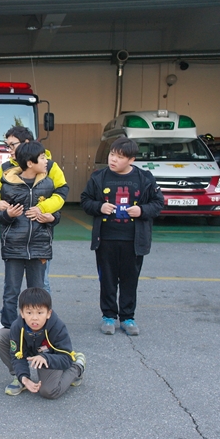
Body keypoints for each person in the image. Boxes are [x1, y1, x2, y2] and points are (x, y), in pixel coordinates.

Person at [80, 137, 164, 336]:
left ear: (131, 160)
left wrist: (141, 210)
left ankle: (127, 318)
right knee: (107, 279)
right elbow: (85, 200)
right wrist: (99, 207)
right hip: (106, 239)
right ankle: (108, 316)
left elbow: (158, 203)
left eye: (119, 157)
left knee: (130, 279)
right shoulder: (99, 177)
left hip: (134, 241)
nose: (113, 159)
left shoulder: (145, 178)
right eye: (112, 155)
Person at [0, 126, 68, 308]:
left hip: (39, 239)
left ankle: (42, 317)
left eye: (12, 145)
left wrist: (42, 209)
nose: (9, 149)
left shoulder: (49, 166)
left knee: (41, 285)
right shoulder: (5, 168)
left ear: (26, 143)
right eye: (7, 145)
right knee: (11, 289)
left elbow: (61, 193)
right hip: (14, 241)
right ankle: (9, 321)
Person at [0, 287, 86, 399]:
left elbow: (66, 358)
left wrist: (46, 358)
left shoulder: (57, 327)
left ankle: (77, 367)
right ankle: (19, 378)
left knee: (49, 391)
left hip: (49, 356)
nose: (34, 318)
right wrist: (23, 377)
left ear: (48, 313)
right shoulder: (17, 326)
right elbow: (16, 355)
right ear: (22, 313)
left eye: (40, 313)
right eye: (29, 313)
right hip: (29, 349)